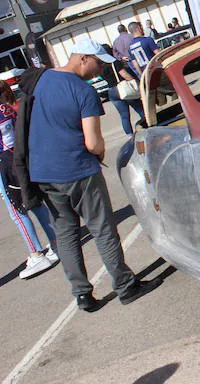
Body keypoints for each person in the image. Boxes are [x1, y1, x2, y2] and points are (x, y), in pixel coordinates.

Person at [26, 38, 161, 311]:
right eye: (99, 64)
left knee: (65, 234)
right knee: (102, 228)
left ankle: (82, 294)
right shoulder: (83, 92)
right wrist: (99, 153)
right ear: (83, 58)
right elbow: (93, 143)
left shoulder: (41, 81)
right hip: (77, 169)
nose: (102, 70)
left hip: (44, 172)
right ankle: (125, 286)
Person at [0, 80, 58, 279]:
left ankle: (35, 252)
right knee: (33, 202)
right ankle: (56, 241)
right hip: (19, 157)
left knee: (18, 211)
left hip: (5, 163)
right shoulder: (6, 108)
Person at [100, 45, 144, 137]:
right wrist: (134, 81)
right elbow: (125, 75)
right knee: (140, 109)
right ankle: (151, 127)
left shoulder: (101, 66)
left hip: (111, 91)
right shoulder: (114, 62)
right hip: (122, 88)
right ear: (110, 51)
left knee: (124, 116)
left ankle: (130, 136)